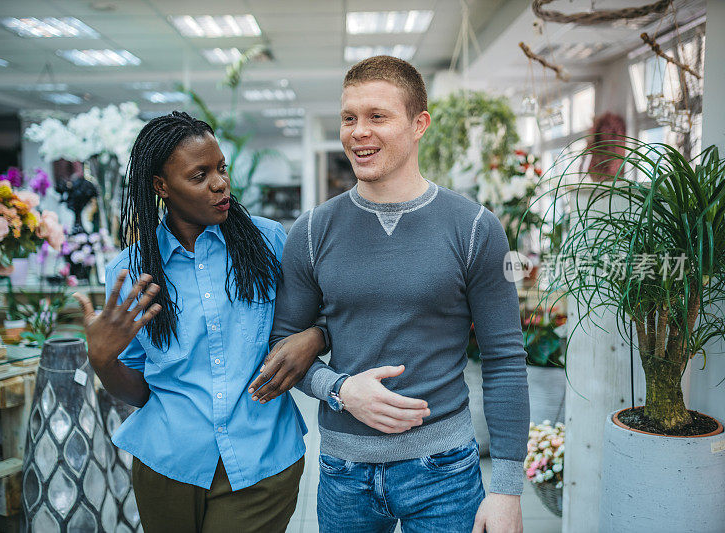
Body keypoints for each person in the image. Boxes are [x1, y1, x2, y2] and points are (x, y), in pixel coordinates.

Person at [252, 56, 529, 533]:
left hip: (445, 472)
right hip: (343, 473)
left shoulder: (474, 229)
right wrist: (340, 390)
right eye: (349, 118)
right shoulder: (313, 231)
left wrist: (505, 487)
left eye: (377, 116)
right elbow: (283, 349)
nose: (358, 132)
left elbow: (504, 357)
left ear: (419, 124)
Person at [73, 112, 327, 532]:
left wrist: (315, 337)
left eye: (221, 169)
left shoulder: (269, 243)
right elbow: (137, 391)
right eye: (199, 175)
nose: (219, 183)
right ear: (161, 186)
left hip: (263, 459)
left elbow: (327, 312)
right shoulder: (131, 270)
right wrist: (101, 359)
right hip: (168, 464)